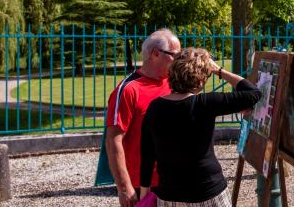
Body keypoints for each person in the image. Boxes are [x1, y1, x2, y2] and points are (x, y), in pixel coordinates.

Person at [139, 47, 262, 206]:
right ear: (200, 78)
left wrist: (144, 193)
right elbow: (254, 93)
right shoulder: (205, 103)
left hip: (170, 194)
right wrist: (219, 70)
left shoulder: (155, 107)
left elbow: (147, 154)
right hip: (207, 190)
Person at [106, 28, 181, 207]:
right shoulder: (128, 90)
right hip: (144, 186)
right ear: (155, 53)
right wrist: (124, 187)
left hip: (174, 180)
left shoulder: (174, 83)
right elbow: (113, 141)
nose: (179, 61)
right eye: (175, 55)